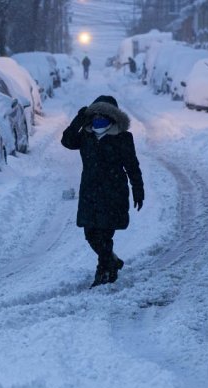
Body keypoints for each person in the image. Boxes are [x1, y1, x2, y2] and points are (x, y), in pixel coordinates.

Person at [61, 95, 144, 287]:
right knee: (90, 233)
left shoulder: (123, 137)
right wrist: (78, 119)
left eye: (103, 115)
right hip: (90, 192)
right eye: (95, 114)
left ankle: (104, 272)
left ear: (112, 117)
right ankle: (111, 261)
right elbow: (67, 141)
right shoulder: (86, 135)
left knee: (105, 234)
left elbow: (132, 166)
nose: (99, 119)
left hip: (113, 192)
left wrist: (138, 189)